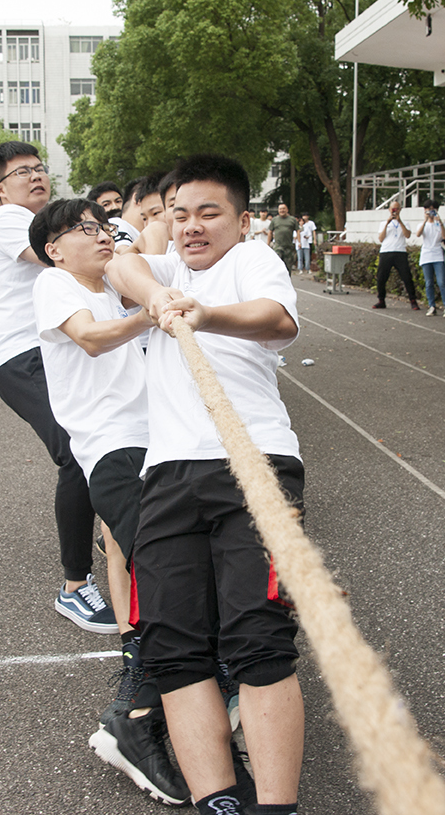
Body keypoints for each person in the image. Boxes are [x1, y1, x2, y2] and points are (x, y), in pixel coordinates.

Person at [107, 153, 306, 815]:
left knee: (260, 639)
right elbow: (120, 263)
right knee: (174, 647)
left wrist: (202, 313)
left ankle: (276, 806)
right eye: (178, 213)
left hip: (256, 464)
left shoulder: (250, 262)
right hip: (165, 476)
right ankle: (216, 801)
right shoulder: (160, 271)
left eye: (208, 212)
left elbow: (276, 319)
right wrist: (159, 295)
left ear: (241, 219)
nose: (191, 226)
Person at [28, 199, 188, 804]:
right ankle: (135, 714)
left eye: (101, 227)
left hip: (158, 441)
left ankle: (152, 700)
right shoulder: (54, 284)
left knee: (150, 561)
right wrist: (153, 313)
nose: (98, 237)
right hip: (113, 447)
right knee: (163, 564)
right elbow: (90, 340)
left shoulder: (116, 284)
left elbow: (154, 261)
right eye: (81, 230)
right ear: (54, 248)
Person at [0, 140, 112, 633]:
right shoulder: (10, 220)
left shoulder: (54, 219)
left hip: (59, 349)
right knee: (77, 451)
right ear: (0, 189)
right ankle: (74, 587)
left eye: (39, 169)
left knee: (110, 437)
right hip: (21, 357)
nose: (35, 177)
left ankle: (112, 525)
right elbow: (64, 261)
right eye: (22, 173)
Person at [374, 198, 419, 310]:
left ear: (400, 210)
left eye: (397, 209)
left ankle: (413, 300)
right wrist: (388, 223)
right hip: (386, 251)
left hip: (400, 252)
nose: (395, 211)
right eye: (393, 209)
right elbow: (381, 238)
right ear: (389, 210)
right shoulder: (383, 223)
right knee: (381, 278)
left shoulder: (405, 223)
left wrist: (399, 221)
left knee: (407, 277)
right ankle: (381, 300)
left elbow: (407, 235)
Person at [416, 206, 445, 316]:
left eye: (432, 210)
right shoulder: (423, 224)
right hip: (426, 255)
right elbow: (418, 234)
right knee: (429, 282)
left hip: (438, 255)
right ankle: (432, 306)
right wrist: (425, 220)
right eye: (427, 210)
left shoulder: (442, 223)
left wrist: (439, 222)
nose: (430, 212)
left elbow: (444, 236)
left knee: (441, 282)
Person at [268, 202, 298, 271]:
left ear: (287, 210)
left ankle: (287, 281)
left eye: (284, 209)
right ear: (278, 210)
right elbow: (270, 232)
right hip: (278, 246)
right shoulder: (274, 220)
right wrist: (268, 243)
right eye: (280, 209)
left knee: (288, 267)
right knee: (276, 265)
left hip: (288, 247)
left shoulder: (292, 219)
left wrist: (299, 242)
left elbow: (298, 230)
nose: (282, 210)